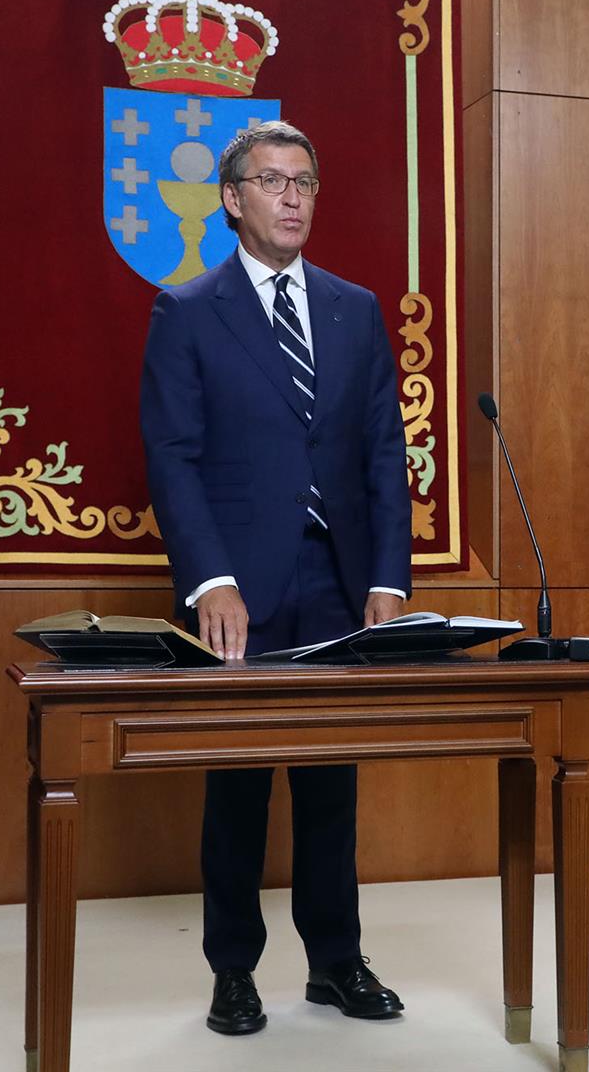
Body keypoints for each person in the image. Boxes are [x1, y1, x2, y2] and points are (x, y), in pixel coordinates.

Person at [139, 121, 412, 1037]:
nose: (293, 196)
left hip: (338, 580)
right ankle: (233, 971)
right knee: (240, 785)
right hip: (238, 590)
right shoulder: (187, 309)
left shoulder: (353, 306)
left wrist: (388, 577)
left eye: (305, 180)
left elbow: (383, 451)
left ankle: (336, 962)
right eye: (272, 181)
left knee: (333, 783)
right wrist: (209, 578)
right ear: (231, 200)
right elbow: (173, 457)